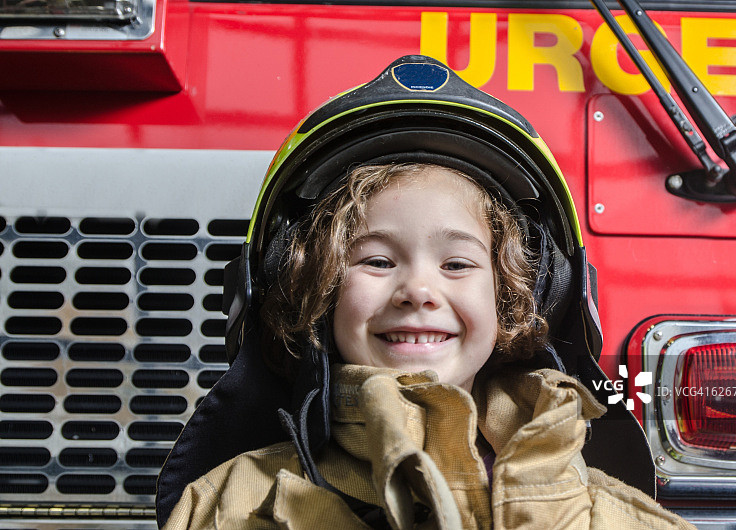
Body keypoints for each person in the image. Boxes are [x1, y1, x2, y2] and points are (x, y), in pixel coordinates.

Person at [158, 56, 695, 529]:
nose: (417, 290)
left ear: (521, 297)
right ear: (311, 292)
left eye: (457, 264)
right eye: (377, 261)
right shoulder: (227, 506)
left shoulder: (607, 517)